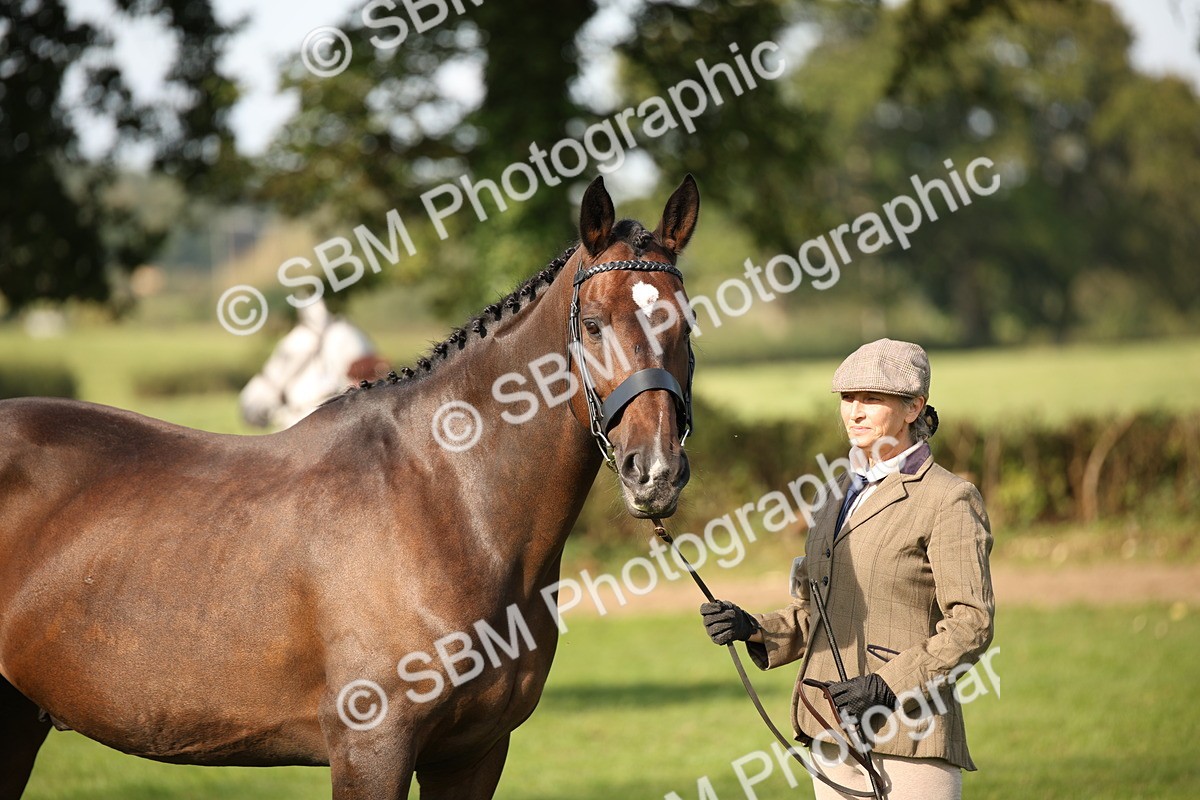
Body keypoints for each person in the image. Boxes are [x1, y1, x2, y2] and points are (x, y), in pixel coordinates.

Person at [700, 338, 994, 800]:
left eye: (871, 399)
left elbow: (971, 624)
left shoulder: (948, 498)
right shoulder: (834, 494)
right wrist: (752, 627)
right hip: (829, 729)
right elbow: (815, 612)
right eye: (847, 399)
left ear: (914, 406)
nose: (854, 412)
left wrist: (886, 685)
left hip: (910, 733)